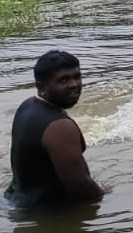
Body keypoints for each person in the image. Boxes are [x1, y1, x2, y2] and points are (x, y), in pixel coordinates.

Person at [7, 49, 103, 209]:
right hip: (44, 214)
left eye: (77, 77)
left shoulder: (28, 106)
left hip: (14, 202)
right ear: (41, 87)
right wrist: (110, 200)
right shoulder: (60, 126)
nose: (74, 85)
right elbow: (79, 186)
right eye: (63, 80)